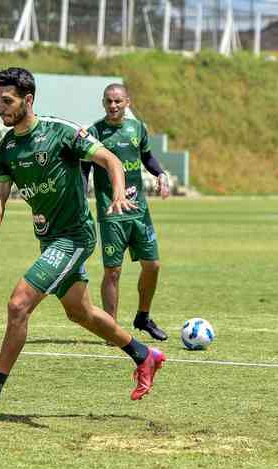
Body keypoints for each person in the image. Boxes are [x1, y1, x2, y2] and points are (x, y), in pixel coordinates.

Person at [0, 68, 165, 418]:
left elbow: (109, 159)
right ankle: (144, 355)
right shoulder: (6, 149)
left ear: (28, 100)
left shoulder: (60, 132)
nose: (0, 108)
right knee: (80, 313)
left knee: (18, 305)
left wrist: (116, 191)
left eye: (7, 101)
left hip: (74, 237)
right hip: (49, 240)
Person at [85, 84, 169, 342]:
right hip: (111, 212)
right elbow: (83, 171)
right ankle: (110, 329)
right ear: (103, 103)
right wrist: (81, 197)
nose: (113, 106)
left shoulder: (137, 128)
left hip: (139, 211)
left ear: (127, 103)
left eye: (118, 101)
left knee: (152, 265)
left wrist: (161, 173)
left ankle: (143, 316)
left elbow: (147, 157)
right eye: (109, 101)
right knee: (113, 271)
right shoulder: (94, 133)